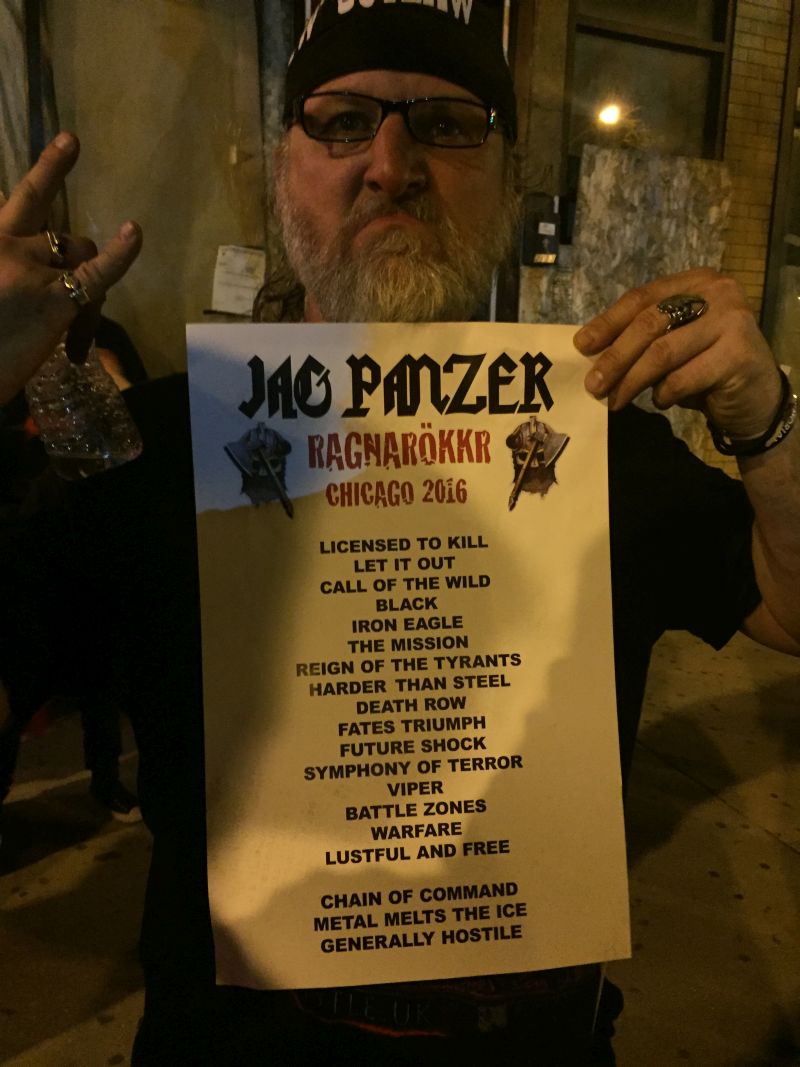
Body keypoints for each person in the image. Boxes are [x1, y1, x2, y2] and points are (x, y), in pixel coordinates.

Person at [0, 2, 797, 1063]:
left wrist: (769, 422)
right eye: (340, 122)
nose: (389, 165)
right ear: (279, 173)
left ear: (509, 181)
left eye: (447, 125)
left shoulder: (599, 440)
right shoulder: (145, 453)